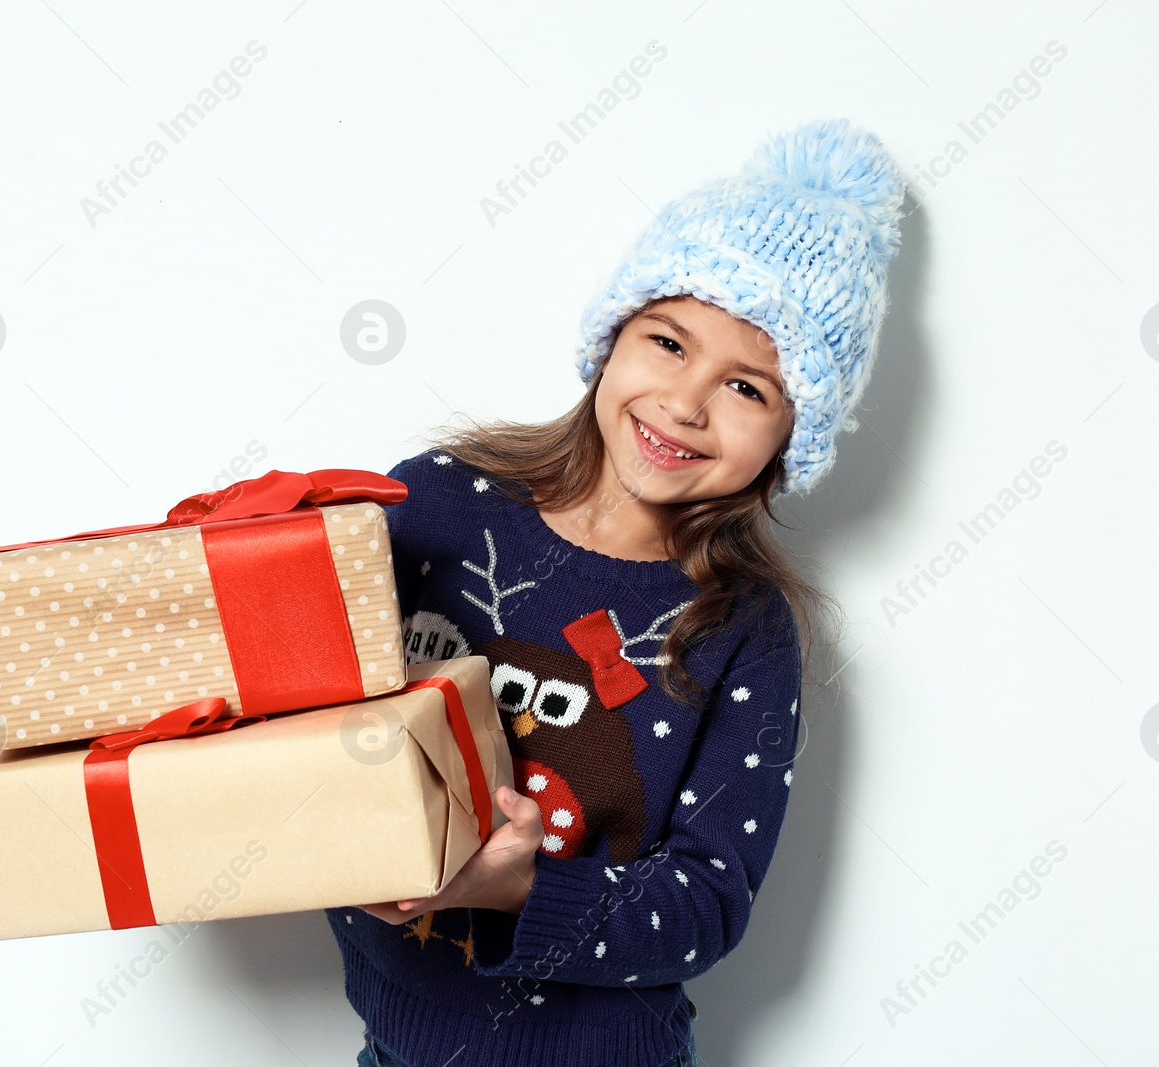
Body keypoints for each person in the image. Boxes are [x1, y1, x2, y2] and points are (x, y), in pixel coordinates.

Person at [328, 116, 907, 1067]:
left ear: (793, 434)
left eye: (749, 388)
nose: (686, 403)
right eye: (669, 342)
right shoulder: (432, 507)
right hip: (393, 1046)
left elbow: (710, 903)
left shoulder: (743, 626)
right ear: (613, 336)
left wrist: (520, 887)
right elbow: (299, 721)